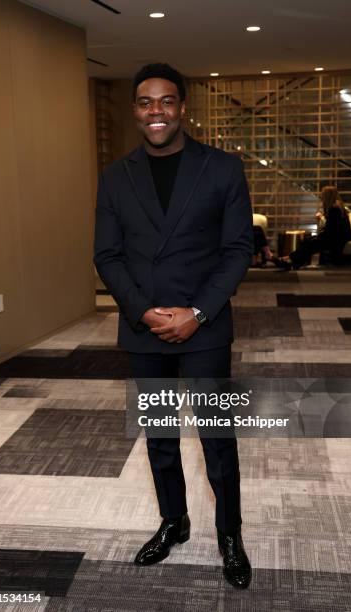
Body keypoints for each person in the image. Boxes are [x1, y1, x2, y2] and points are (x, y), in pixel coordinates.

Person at [94, 63, 254, 589]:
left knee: (216, 437)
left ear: (183, 107)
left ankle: (229, 533)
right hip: (144, 329)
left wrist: (199, 313)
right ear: (136, 111)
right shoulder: (116, 176)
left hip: (203, 327)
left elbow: (237, 251)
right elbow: (108, 255)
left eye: (166, 101)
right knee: (160, 436)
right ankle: (173, 521)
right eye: (145, 102)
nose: (155, 111)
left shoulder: (223, 169)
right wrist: (142, 311)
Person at [273, 186, 351, 270]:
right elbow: (333, 228)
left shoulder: (334, 209)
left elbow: (330, 231)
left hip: (337, 239)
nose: (321, 198)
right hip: (339, 237)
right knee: (308, 241)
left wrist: (319, 235)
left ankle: (289, 259)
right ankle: (291, 260)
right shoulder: (338, 207)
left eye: (323, 196)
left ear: (327, 197)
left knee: (309, 243)